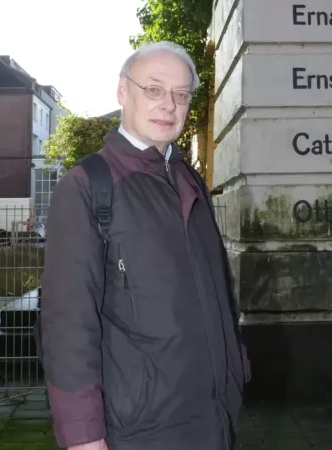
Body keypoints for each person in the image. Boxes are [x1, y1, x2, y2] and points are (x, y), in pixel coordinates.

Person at [40, 41, 250, 450]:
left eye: (181, 94)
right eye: (154, 90)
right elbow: (67, 323)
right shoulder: (87, 186)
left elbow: (218, 291)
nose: (168, 104)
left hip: (214, 419)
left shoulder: (190, 181)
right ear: (123, 91)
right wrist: (83, 436)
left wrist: (235, 370)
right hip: (139, 431)